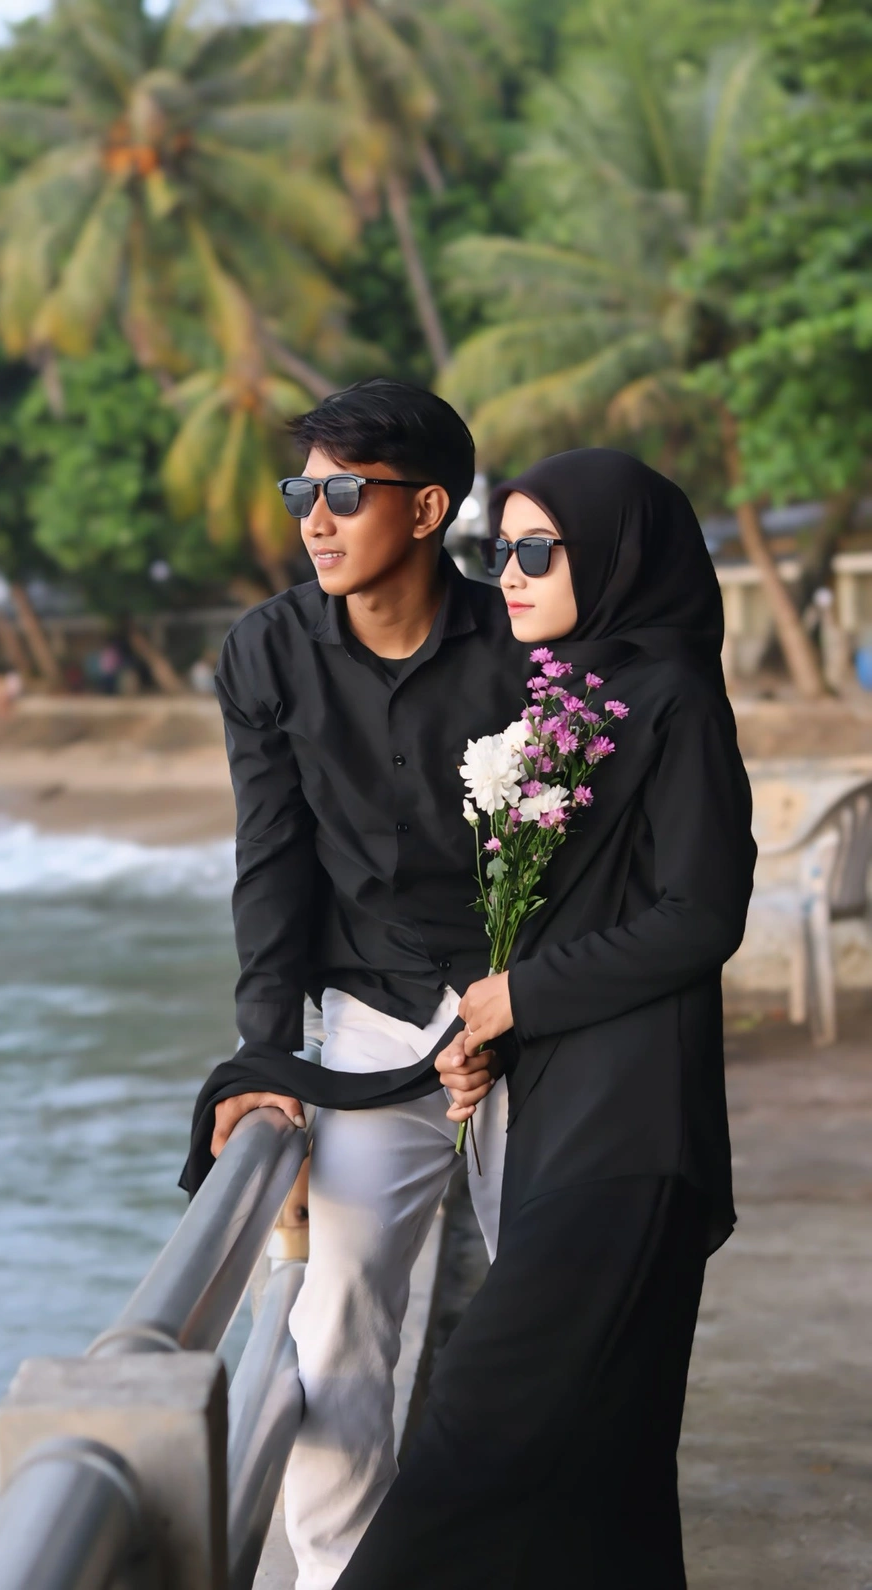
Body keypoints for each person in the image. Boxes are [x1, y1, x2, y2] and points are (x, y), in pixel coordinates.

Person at [327, 447, 757, 1589]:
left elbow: (702, 914)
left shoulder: (673, 697)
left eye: (534, 551)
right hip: (560, 1116)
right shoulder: (572, 698)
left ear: (613, 556)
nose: (506, 575)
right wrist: (492, 1034)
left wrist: (520, 995)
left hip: (633, 1127)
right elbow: (574, 917)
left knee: (470, 1444)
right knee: (605, 1480)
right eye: (496, 550)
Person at [184, 378, 524, 1590]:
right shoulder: (266, 651)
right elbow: (272, 862)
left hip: (527, 1030)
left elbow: (585, 855)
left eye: (344, 494)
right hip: (372, 1026)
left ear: (428, 509)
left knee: (548, 1312)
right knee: (333, 1324)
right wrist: (267, 1057)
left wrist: (521, 1000)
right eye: (303, 493)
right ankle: (337, 1577)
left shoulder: (526, 649)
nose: (314, 521)